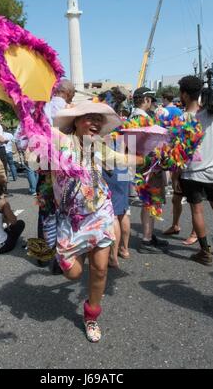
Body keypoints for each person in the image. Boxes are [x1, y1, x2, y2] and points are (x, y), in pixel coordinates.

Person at [51, 101, 143, 342]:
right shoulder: (59, 140)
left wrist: (147, 158)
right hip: (70, 220)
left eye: (98, 120)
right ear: (76, 121)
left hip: (99, 211)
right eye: (89, 117)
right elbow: (36, 125)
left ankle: (91, 315)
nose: (95, 123)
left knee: (100, 269)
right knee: (72, 274)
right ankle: (67, 257)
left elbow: (119, 160)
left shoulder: (99, 146)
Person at [178, 75, 213, 265]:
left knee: (197, 211)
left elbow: (177, 149)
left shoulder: (182, 119)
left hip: (191, 172)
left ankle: (205, 252)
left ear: (184, 94)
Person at [130, 87, 169, 254]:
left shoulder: (137, 117)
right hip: (148, 168)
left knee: (150, 202)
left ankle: (149, 235)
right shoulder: (140, 118)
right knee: (150, 202)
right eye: (151, 100)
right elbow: (144, 146)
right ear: (145, 100)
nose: (153, 103)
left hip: (145, 167)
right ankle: (146, 239)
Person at [99, 88, 131, 267]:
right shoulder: (124, 123)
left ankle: (113, 257)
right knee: (123, 212)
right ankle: (124, 249)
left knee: (112, 215)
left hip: (110, 170)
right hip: (125, 168)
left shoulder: (105, 126)